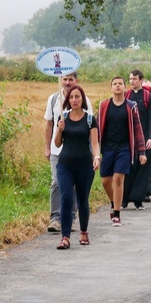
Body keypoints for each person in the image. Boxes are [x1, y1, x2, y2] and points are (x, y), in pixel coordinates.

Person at [43, 72, 92, 233]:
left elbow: (91, 126)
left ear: (76, 81)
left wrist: (93, 153)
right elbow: (49, 124)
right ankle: (56, 218)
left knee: (75, 187)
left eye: (71, 79)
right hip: (58, 151)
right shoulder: (53, 100)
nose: (67, 82)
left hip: (78, 151)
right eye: (65, 79)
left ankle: (70, 217)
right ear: (61, 81)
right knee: (57, 182)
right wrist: (47, 147)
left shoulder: (84, 100)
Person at [53, 85, 100, 249]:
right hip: (65, 164)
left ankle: (84, 231)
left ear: (82, 99)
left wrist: (97, 157)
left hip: (84, 166)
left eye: (77, 97)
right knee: (66, 197)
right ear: (68, 100)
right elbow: (57, 143)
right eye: (71, 97)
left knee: (82, 200)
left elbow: (95, 143)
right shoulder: (63, 117)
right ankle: (65, 237)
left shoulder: (89, 119)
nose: (74, 100)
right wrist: (59, 130)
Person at [97, 76, 147, 227]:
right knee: (105, 180)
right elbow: (97, 127)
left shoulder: (131, 106)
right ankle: (114, 202)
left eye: (120, 84)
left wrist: (142, 151)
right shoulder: (103, 105)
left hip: (124, 148)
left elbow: (138, 129)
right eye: (115, 84)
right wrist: (94, 151)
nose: (117, 86)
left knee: (118, 178)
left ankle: (117, 214)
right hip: (107, 148)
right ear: (111, 88)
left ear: (125, 88)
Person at [123, 70, 151, 209]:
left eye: (135, 79)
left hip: (146, 138)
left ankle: (138, 200)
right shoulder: (126, 95)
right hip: (130, 139)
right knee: (129, 169)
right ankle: (124, 200)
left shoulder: (148, 97)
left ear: (141, 80)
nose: (132, 81)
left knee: (143, 170)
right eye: (130, 79)